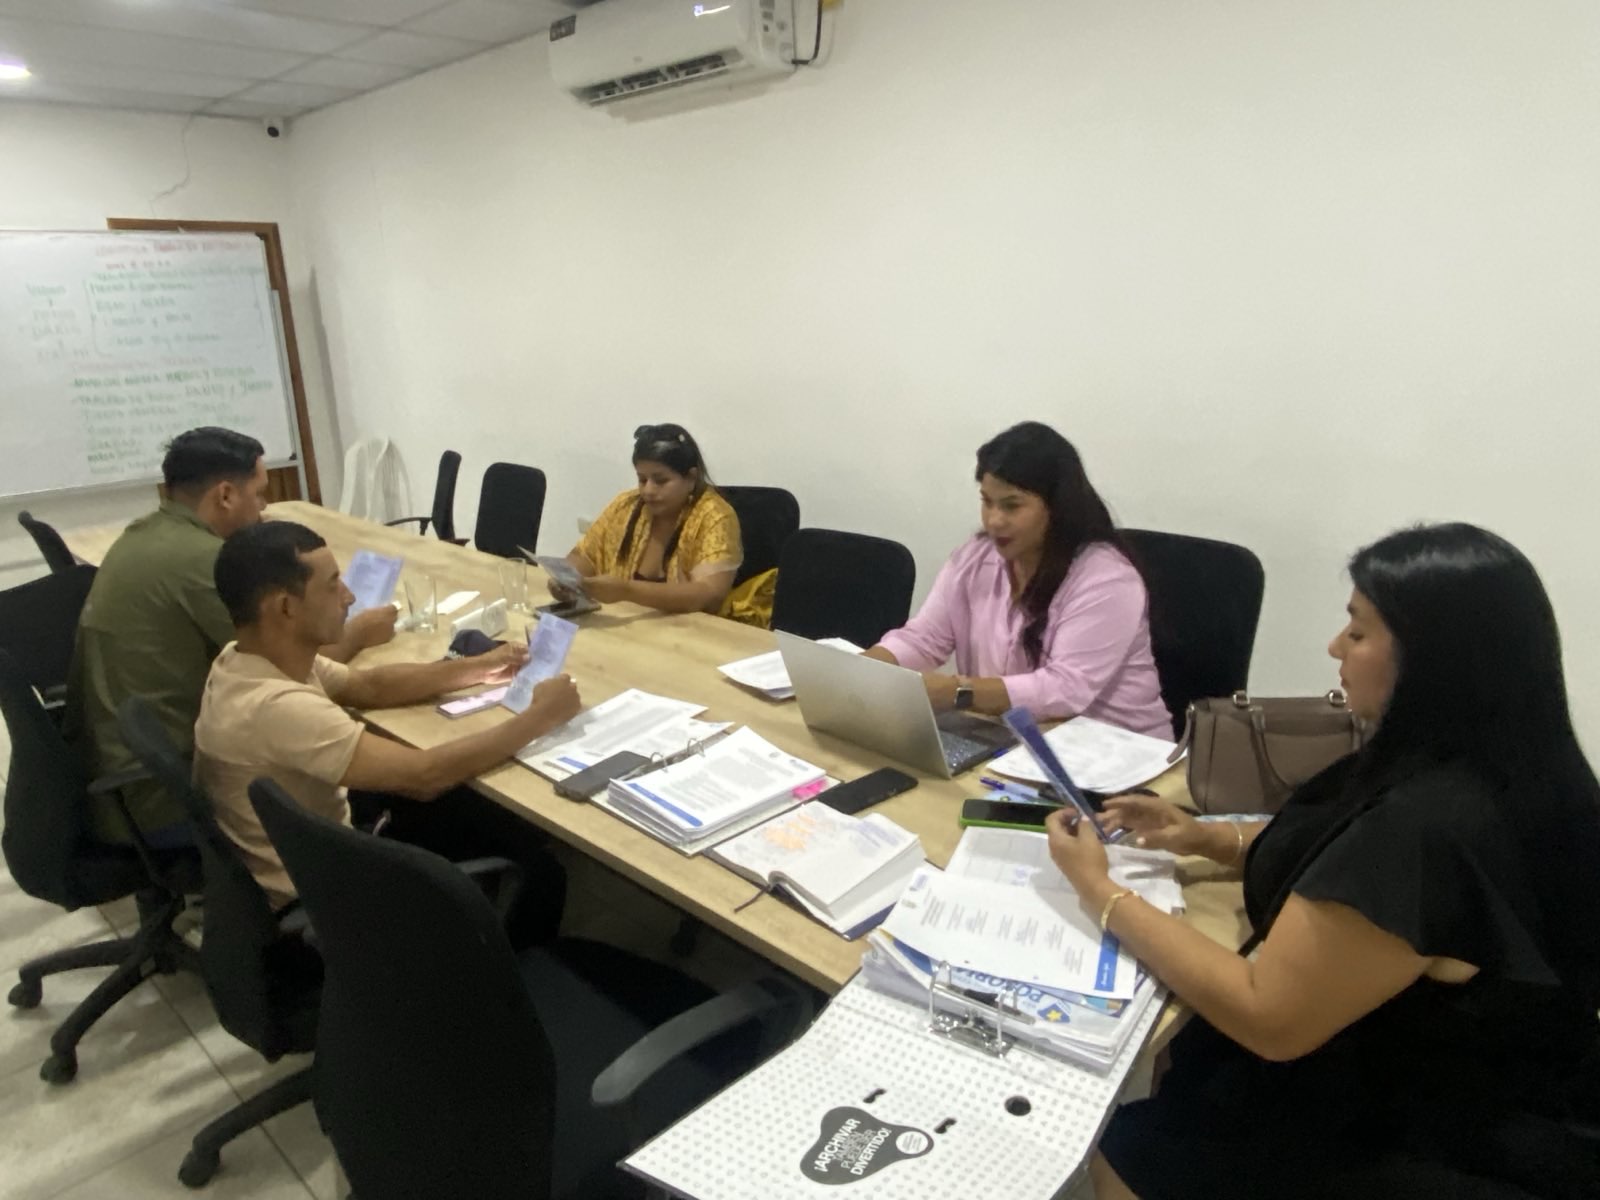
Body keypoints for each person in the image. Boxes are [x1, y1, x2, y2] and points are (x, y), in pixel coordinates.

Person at [1047, 523, 1600, 1200]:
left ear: (1434, 661)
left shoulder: (1427, 830)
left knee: (1126, 1139)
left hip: (1413, 1121)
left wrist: (1100, 891)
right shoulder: (1501, 762)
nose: (1335, 647)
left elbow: (1267, 1015)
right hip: (1487, 1073)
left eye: (1358, 632)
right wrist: (1209, 839)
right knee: (1183, 1051)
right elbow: (1335, 842)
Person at [194, 521, 580, 947]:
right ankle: (496, 978)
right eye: (333, 584)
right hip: (324, 905)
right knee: (538, 869)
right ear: (286, 607)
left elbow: (368, 686)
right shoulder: (277, 708)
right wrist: (540, 718)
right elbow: (424, 776)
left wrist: (480, 666)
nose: (349, 596)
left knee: (478, 812)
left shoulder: (247, 659)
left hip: (313, 855)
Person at [68, 427, 396, 846]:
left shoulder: (147, 533)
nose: (264, 509)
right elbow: (289, 660)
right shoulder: (203, 560)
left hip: (121, 772)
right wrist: (360, 633)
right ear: (225, 495)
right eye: (258, 495)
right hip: (166, 800)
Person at [864, 422, 1169, 735]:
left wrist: (958, 692)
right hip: (1016, 740)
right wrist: (863, 670)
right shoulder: (975, 558)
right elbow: (925, 638)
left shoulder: (1107, 579)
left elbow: (1064, 689)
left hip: (1117, 750)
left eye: (1012, 506)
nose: (994, 520)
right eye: (987, 502)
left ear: (1056, 507)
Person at [560, 423, 742, 614]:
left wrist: (627, 591)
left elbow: (709, 594)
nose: (648, 490)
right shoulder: (626, 505)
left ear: (691, 478)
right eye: (642, 479)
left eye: (660, 481)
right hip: (625, 623)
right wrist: (567, 580)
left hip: (688, 628)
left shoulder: (715, 516)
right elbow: (585, 557)